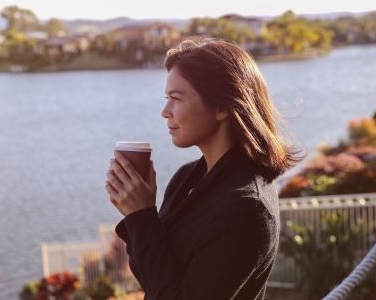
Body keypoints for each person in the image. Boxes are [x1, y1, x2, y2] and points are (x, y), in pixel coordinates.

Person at [105, 38, 301, 300]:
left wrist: (141, 216)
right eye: (167, 98)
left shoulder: (248, 207)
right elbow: (153, 277)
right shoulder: (187, 178)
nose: (165, 112)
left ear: (221, 107)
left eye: (176, 98)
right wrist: (137, 216)